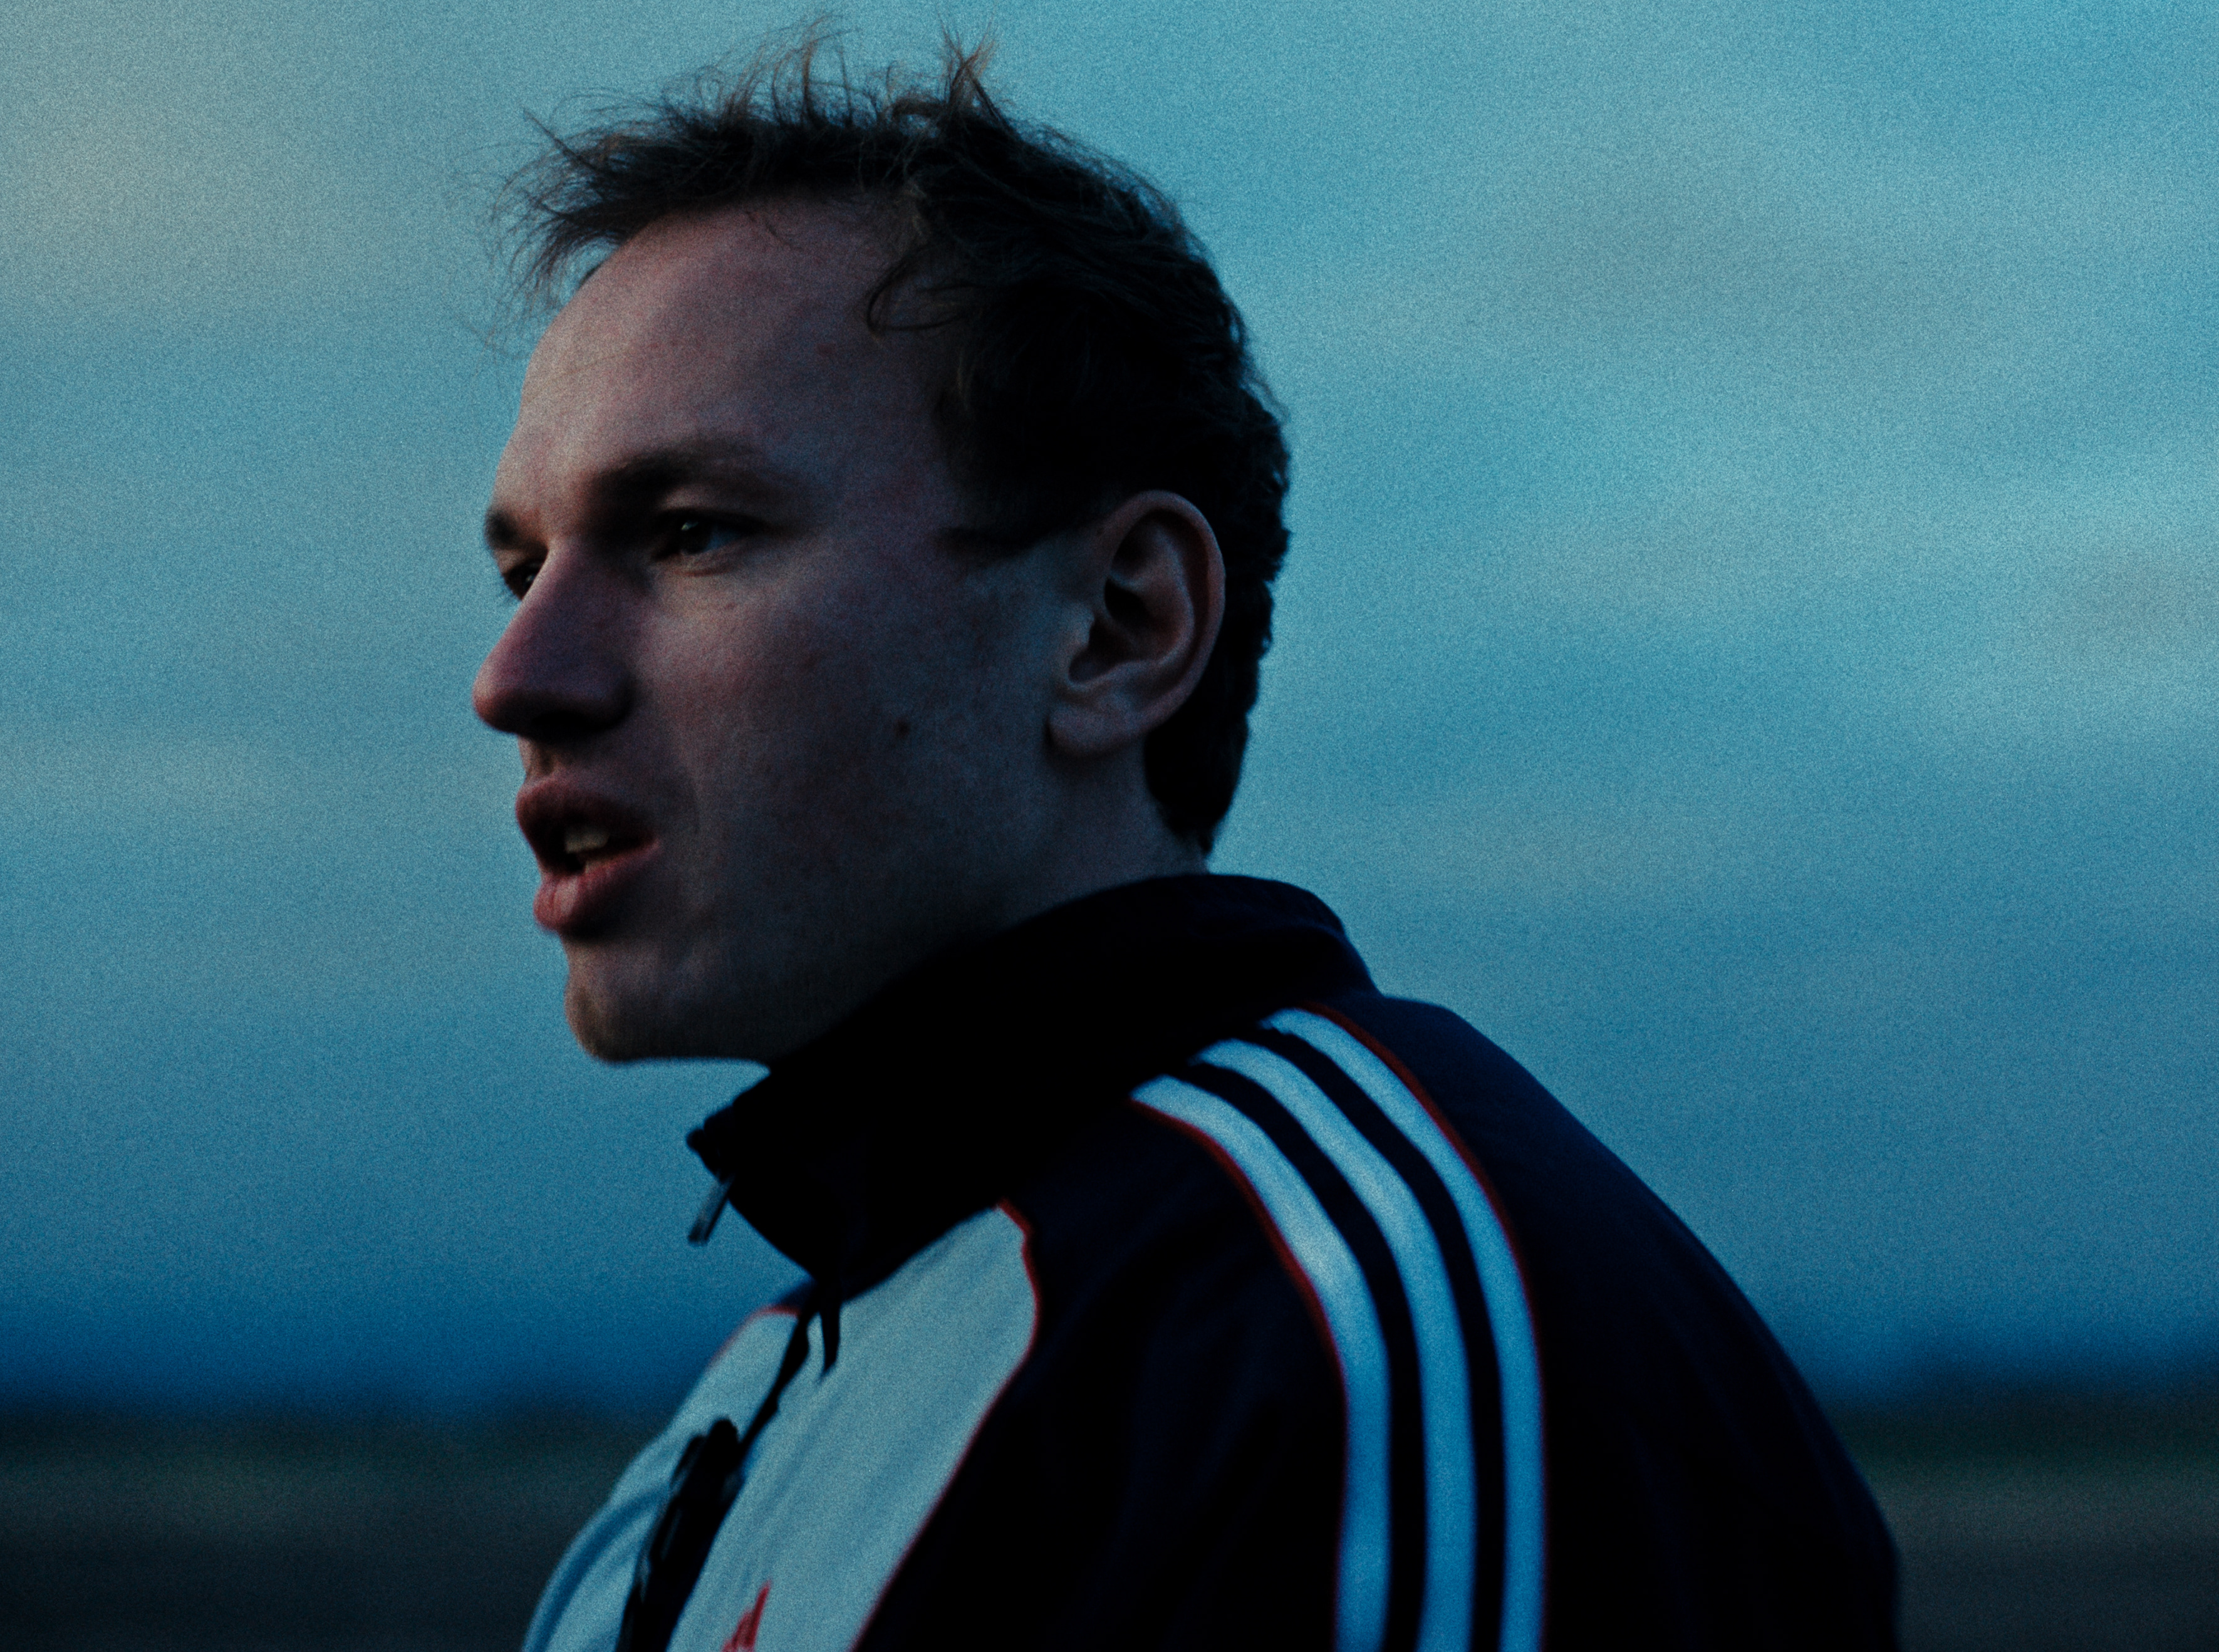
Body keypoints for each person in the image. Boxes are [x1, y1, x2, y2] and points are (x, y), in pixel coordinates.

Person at [471, 39, 1898, 1652]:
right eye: (522, 570)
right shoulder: (772, 1384)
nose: (518, 675)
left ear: (1118, 625)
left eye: (689, 533)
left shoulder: (1348, 1331)